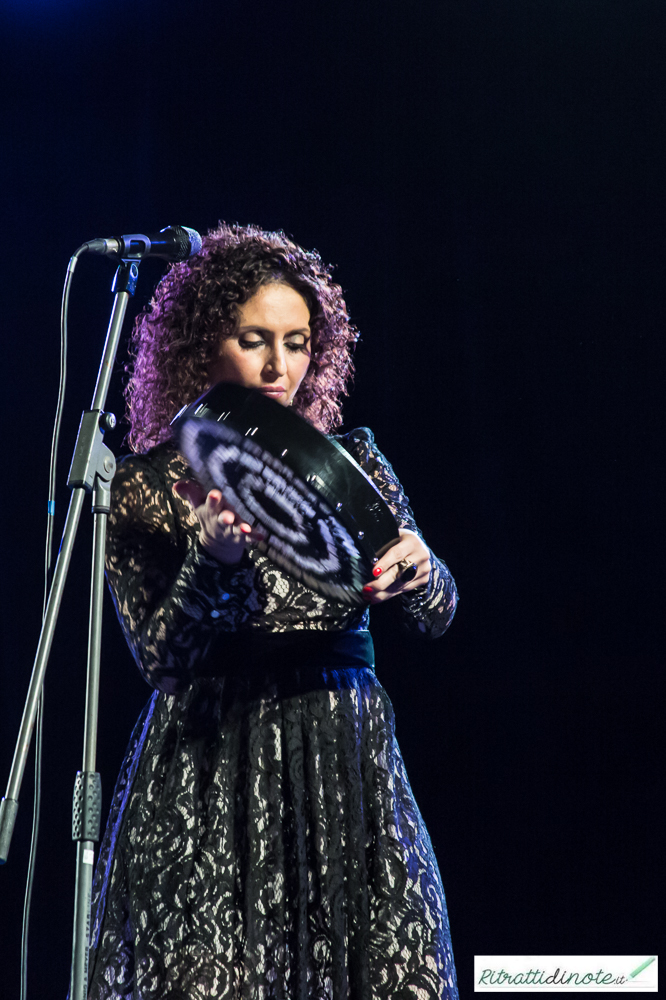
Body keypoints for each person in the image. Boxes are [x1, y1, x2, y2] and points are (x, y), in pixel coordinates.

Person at [86, 222, 460, 999]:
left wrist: (424, 571)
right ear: (202, 345)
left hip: (345, 768)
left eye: (296, 342)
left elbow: (438, 614)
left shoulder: (354, 463)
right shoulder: (148, 487)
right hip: (210, 770)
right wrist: (215, 560)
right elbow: (164, 659)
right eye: (255, 339)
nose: (278, 366)